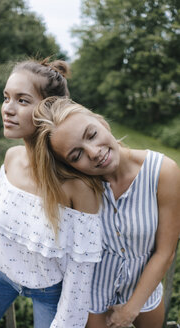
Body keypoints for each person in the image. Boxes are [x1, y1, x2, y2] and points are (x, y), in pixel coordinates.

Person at [0, 59, 103, 328]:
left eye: (22, 101)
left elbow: (79, 272)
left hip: (49, 289)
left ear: (50, 108)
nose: (7, 109)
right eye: (6, 98)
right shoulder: (11, 158)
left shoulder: (77, 186)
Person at [31, 96, 180, 328]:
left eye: (91, 135)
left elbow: (165, 252)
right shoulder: (77, 189)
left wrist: (130, 310)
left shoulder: (164, 172)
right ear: (69, 165)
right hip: (93, 296)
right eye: (76, 155)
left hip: (146, 292)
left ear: (102, 123)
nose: (93, 152)